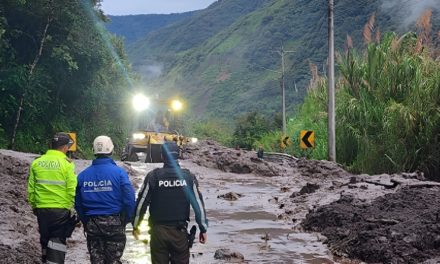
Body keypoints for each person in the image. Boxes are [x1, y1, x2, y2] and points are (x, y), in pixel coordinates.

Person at [132, 141, 208, 264]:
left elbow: (141, 203)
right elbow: (198, 204)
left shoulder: (153, 176)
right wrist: (203, 228)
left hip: (158, 233)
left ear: (162, 156)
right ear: (178, 155)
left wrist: (136, 225)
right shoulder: (188, 177)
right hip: (179, 233)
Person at [75, 135, 136, 264]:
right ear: (111, 151)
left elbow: (78, 205)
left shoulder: (82, 176)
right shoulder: (119, 173)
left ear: (93, 151)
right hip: (115, 223)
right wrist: (126, 219)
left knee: (96, 261)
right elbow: (129, 200)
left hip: (93, 225)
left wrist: (87, 221)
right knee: (113, 260)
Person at [27, 132, 77, 264]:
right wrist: (73, 207)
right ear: (65, 147)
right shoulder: (67, 164)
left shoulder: (37, 162)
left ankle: (45, 259)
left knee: (45, 238)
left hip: (41, 209)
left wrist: (34, 205)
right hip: (60, 210)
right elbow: (72, 189)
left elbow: (31, 188)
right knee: (57, 242)